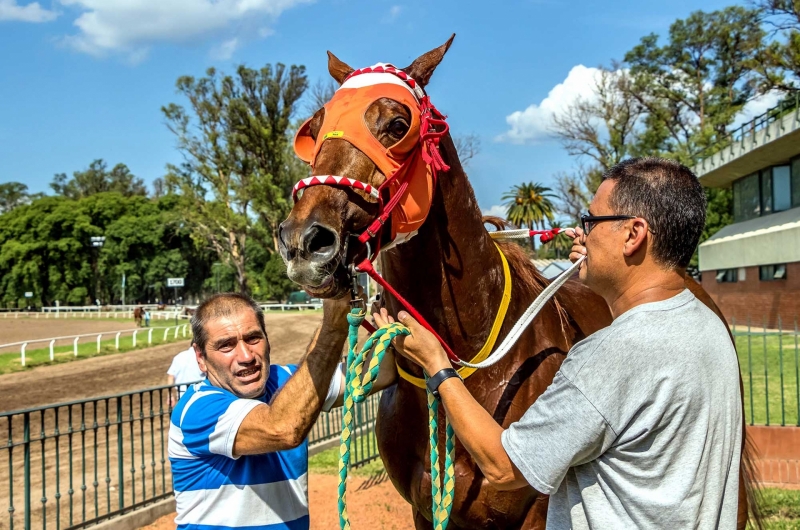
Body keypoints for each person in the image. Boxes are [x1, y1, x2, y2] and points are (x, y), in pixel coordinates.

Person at [374, 157, 743, 529]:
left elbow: (504, 468)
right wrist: (606, 273)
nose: (579, 234)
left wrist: (438, 367)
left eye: (592, 222)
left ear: (633, 235)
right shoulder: (706, 326)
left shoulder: (609, 357)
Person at [168, 291, 395, 530]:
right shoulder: (196, 408)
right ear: (200, 357)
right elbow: (284, 429)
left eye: (253, 338)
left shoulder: (287, 380)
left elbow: (382, 373)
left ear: (268, 339)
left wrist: (387, 331)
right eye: (226, 345)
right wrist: (333, 326)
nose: (246, 356)